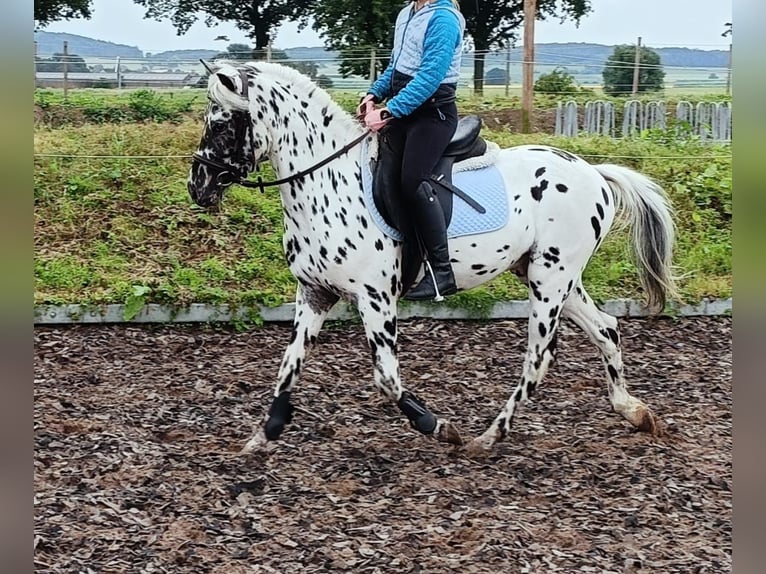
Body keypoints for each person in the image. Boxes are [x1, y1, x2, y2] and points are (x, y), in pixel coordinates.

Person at [357, 0, 465, 301]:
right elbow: (396, 67)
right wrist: (374, 93)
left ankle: (441, 272)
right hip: (405, 111)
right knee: (381, 172)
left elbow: (430, 77)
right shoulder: (407, 13)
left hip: (434, 115)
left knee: (412, 180)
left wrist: (389, 111)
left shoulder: (444, 19)